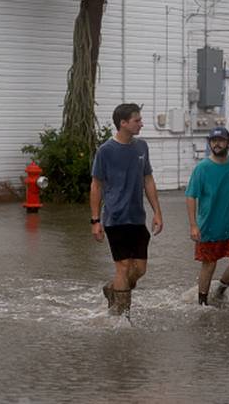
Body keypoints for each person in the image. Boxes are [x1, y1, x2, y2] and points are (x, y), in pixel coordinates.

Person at [90, 103, 164, 316]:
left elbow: (147, 179)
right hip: (115, 218)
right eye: (137, 120)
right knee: (122, 266)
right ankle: (122, 318)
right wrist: (95, 221)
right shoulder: (105, 151)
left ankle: (112, 288)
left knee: (139, 269)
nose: (141, 123)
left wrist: (157, 212)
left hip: (137, 218)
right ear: (123, 123)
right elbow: (96, 185)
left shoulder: (142, 147)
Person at [185, 126, 229, 306]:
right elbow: (191, 196)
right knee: (209, 265)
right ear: (210, 143)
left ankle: (221, 289)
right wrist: (193, 225)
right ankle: (202, 303)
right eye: (213, 141)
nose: (217, 144)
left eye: (221, 140)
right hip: (208, 226)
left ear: (228, 143)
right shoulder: (202, 168)